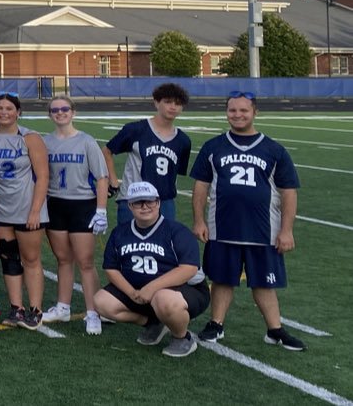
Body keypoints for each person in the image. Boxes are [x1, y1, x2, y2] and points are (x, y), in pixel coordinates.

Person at [192, 92, 304, 351]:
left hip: (263, 230)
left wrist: (287, 230)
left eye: (243, 110)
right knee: (222, 279)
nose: (238, 115)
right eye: (232, 110)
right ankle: (216, 324)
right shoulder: (213, 147)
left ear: (255, 112)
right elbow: (200, 187)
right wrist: (199, 221)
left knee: (264, 281)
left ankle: (274, 329)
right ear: (226, 112)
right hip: (223, 228)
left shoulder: (274, 150)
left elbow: (289, 192)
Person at [95, 182, 208, 357]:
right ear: (130, 206)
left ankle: (182, 337)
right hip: (140, 291)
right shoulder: (120, 233)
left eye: (150, 201)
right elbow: (111, 268)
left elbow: (188, 269)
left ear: (159, 203)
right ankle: (153, 323)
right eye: (139, 202)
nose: (145, 206)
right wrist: (131, 292)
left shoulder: (176, 231)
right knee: (102, 302)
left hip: (183, 291)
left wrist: (152, 288)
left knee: (163, 299)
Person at [40, 97, 111, 334]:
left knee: (86, 262)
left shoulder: (86, 141)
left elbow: (102, 177)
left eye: (64, 109)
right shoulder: (45, 142)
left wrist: (101, 210)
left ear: (73, 112)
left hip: (82, 204)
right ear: (49, 114)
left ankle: (93, 312)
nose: (60, 113)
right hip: (56, 204)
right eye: (55, 110)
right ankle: (63, 306)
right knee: (63, 259)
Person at [0, 94, 50, 330]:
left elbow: (43, 176)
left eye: (9, 108)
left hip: (26, 208)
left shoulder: (29, 138)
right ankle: (17, 307)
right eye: (0, 108)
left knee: (31, 259)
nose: (4, 112)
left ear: (18, 111)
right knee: (8, 259)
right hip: (0, 209)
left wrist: (35, 210)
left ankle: (35, 308)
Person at [104, 83, 191, 223]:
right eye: (168, 102)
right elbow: (107, 151)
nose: (173, 107)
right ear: (156, 102)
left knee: (163, 244)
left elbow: (176, 174)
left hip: (164, 201)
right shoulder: (135, 129)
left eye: (178, 103)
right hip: (133, 198)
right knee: (129, 243)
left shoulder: (183, 141)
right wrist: (113, 180)